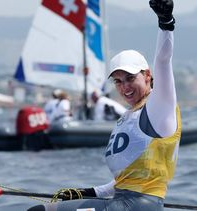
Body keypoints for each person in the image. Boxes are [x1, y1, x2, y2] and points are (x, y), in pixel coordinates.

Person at [27, 0, 180, 210]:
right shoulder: (127, 118)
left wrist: (166, 23)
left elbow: (163, 60)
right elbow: (123, 182)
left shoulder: (158, 110)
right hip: (120, 201)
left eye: (130, 78)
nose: (124, 86)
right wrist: (85, 192)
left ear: (147, 76)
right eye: (118, 81)